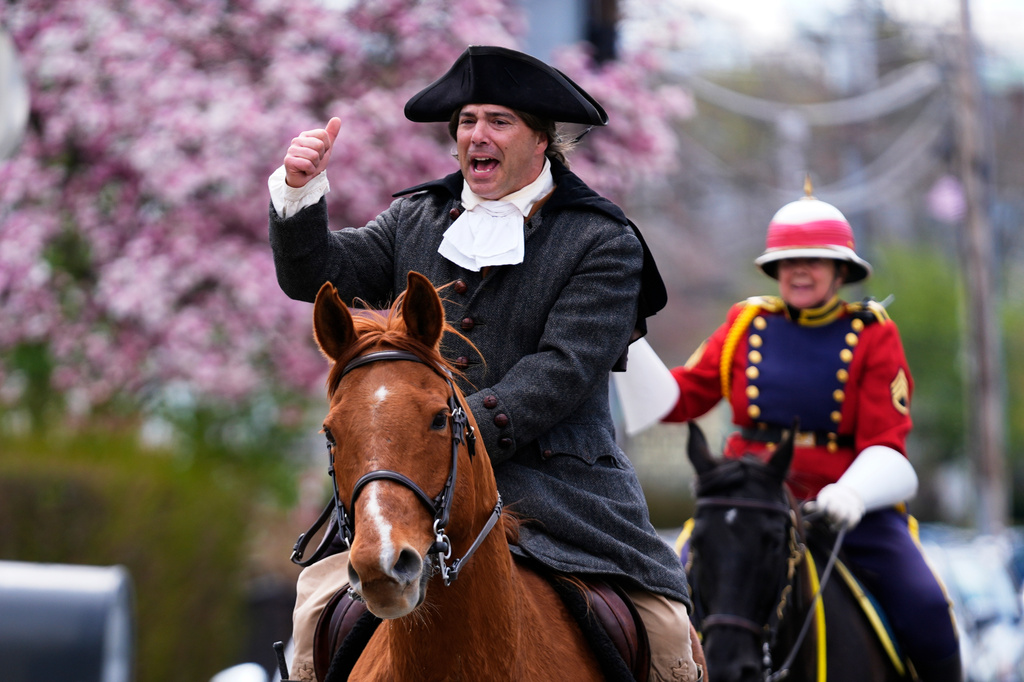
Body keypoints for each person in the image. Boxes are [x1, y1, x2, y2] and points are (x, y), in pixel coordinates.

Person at [268, 45, 701, 682]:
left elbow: (561, 370)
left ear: (540, 140)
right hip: (413, 485)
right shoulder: (414, 217)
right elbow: (317, 275)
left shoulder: (603, 241)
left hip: (563, 497)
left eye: (498, 120)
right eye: (468, 121)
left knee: (666, 640)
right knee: (312, 620)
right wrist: (300, 194)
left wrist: (453, 435)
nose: (477, 135)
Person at [662, 184, 963, 682]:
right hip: (748, 507)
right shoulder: (746, 322)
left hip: (848, 511)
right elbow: (683, 396)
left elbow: (888, 441)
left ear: (841, 270)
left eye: (815, 260)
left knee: (926, 608)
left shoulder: (872, 332)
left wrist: (852, 494)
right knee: (661, 599)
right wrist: (619, 353)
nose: (800, 270)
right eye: (789, 260)